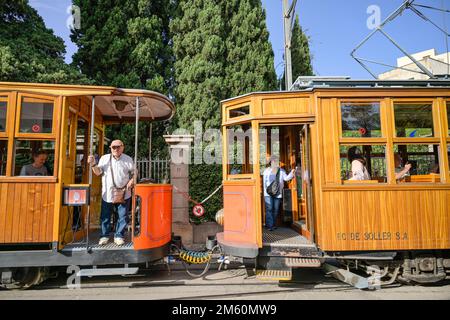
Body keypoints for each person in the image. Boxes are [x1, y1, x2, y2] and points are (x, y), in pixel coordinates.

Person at [88, 140, 135, 246]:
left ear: (123, 147)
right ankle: (104, 236)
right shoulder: (104, 158)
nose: (116, 149)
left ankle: (119, 236)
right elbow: (98, 172)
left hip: (124, 192)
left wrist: (132, 180)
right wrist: (93, 164)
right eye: (113, 147)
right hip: (108, 193)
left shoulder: (128, 159)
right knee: (105, 216)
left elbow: (134, 173)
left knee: (122, 216)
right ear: (110, 148)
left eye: (118, 147)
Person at [262, 155, 296, 231]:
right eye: (273, 161)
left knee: (276, 209)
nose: (274, 162)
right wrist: (264, 193)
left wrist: (292, 172)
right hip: (268, 194)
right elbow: (264, 183)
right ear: (270, 162)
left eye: (276, 161)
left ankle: (272, 224)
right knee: (269, 209)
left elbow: (286, 178)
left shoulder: (281, 171)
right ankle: (270, 226)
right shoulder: (266, 171)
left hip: (278, 193)